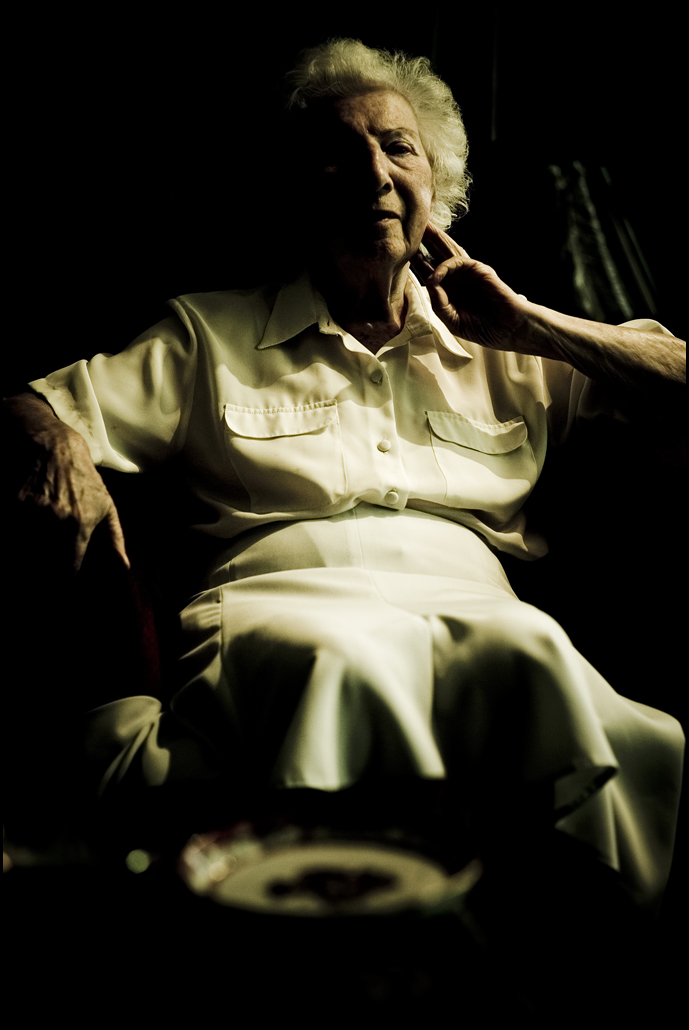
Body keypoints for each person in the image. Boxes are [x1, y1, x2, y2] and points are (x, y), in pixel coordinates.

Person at [4, 40, 685, 911]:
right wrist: (55, 443)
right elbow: (29, 405)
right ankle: (349, 932)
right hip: (280, 605)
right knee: (345, 658)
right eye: (338, 152)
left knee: (528, 649)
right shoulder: (208, 334)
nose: (373, 173)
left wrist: (532, 326)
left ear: (435, 181)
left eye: (397, 147)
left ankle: (543, 930)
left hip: (476, 603)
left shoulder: (506, 336)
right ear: (297, 188)